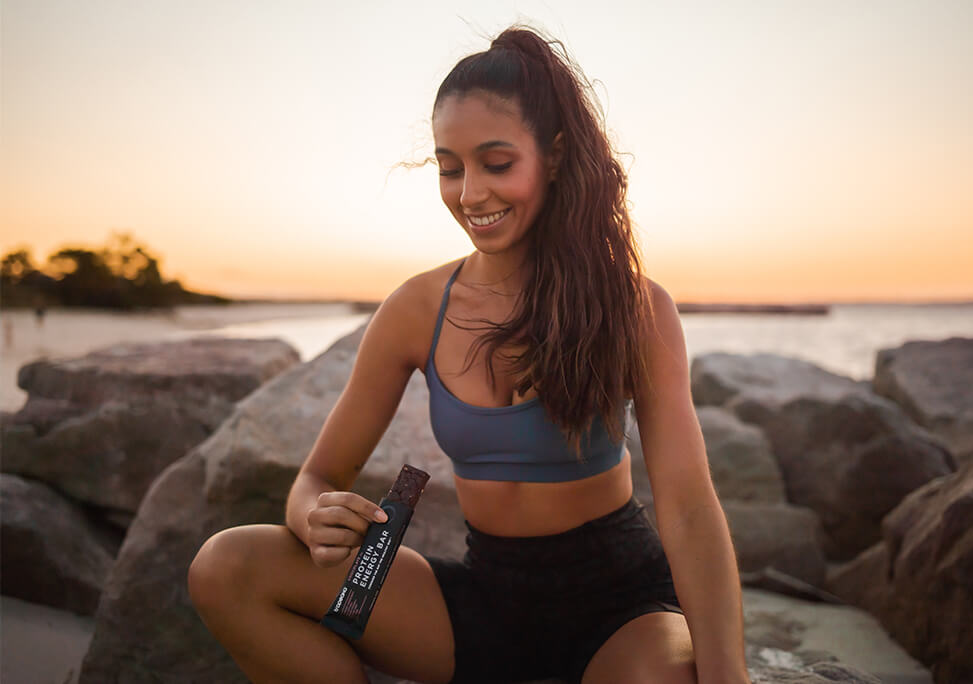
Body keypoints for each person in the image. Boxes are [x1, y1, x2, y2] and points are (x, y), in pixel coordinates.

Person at [189, 25, 751, 684]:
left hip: (620, 608)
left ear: (555, 154)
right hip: (483, 603)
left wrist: (728, 674)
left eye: (496, 162)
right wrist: (311, 514)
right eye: (450, 168)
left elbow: (686, 506)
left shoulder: (633, 306)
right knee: (227, 568)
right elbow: (315, 478)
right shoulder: (415, 308)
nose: (469, 194)